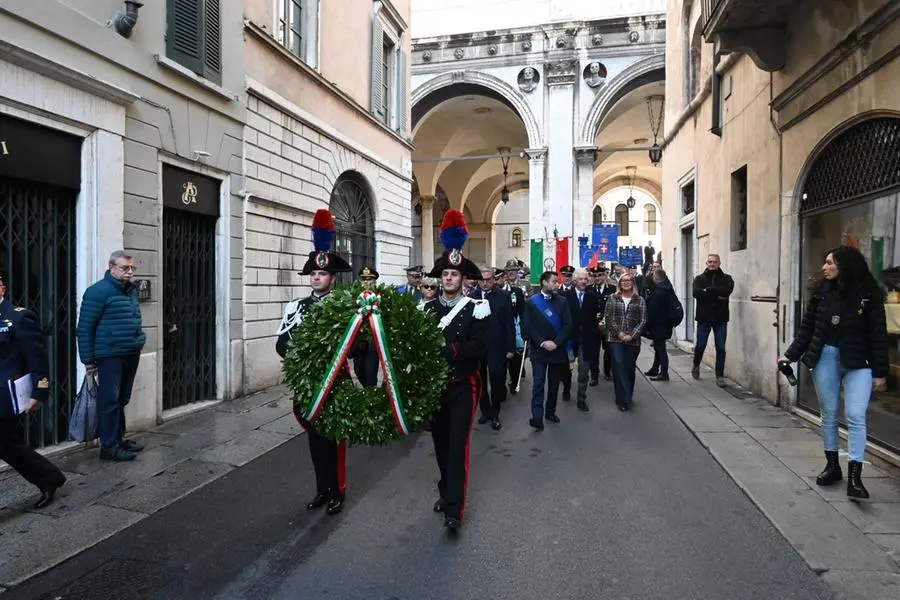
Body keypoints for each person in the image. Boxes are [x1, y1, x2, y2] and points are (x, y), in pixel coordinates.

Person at [780, 246, 888, 500]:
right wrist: (789, 355)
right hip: (825, 356)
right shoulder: (821, 293)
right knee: (828, 414)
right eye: (825, 262)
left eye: (829, 263)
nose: (824, 267)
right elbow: (807, 329)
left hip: (858, 361)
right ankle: (832, 466)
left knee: (855, 415)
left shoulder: (869, 295)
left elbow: (878, 334)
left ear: (844, 265)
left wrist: (881, 371)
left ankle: (855, 478)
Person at [276, 209, 354, 516]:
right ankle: (322, 490)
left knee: (332, 439)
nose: (317, 277)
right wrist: (303, 355)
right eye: (313, 274)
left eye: (322, 274)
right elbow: (282, 343)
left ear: (332, 278)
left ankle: (337, 490)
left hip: (335, 383)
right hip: (308, 383)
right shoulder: (297, 307)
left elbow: (358, 347)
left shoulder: (345, 306)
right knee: (314, 439)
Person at [423, 209, 489, 533]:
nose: (448, 278)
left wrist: (452, 350)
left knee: (457, 444)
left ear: (463, 279)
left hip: (464, 385)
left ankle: (454, 509)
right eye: (445, 274)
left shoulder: (477, 308)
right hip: (436, 388)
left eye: (454, 274)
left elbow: (481, 347)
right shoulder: (428, 309)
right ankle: (445, 491)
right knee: (440, 444)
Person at [0, 273, 67, 509]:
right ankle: (49, 477)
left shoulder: (18, 318)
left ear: (3, 289)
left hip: (6, 396)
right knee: (8, 445)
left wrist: (39, 392)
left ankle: (49, 477)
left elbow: (37, 358)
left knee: (7, 444)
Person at [76, 251, 147, 462]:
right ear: (111, 267)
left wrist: (139, 340)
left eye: (132, 268)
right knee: (109, 401)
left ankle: (118, 438)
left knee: (122, 398)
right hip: (110, 355)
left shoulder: (130, 291)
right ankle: (108, 446)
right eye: (125, 268)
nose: (130, 272)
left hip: (130, 352)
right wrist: (88, 359)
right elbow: (85, 328)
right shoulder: (97, 292)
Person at [523, 271, 572, 430]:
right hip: (540, 350)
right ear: (544, 282)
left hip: (557, 350)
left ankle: (550, 412)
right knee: (538, 383)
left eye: (556, 281)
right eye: (553, 281)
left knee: (553, 384)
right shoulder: (532, 302)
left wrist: (556, 343)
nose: (556, 284)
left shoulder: (563, 301)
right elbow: (528, 326)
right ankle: (537, 416)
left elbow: (567, 325)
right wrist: (543, 342)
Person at [469, 267, 514, 431]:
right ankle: (485, 411)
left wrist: (510, 347)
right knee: (480, 380)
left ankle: (495, 413)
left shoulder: (503, 297)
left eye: (488, 279)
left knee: (496, 381)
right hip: (478, 347)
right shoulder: (471, 297)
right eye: (482, 280)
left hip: (497, 346)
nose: (485, 283)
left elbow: (509, 323)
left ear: (494, 279)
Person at [603, 272, 647, 411]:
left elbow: (643, 320)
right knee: (619, 365)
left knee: (629, 368)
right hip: (615, 339)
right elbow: (609, 318)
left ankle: (628, 395)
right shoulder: (612, 298)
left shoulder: (639, 300)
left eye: (629, 280)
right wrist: (620, 334)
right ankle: (623, 399)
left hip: (633, 341)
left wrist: (632, 335)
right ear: (619, 284)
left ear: (633, 283)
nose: (626, 283)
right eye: (623, 281)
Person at [691, 254, 735, 386]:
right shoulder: (699, 279)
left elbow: (727, 291)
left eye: (715, 262)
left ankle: (719, 376)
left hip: (720, 318)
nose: (712, 264)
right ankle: (696, 364)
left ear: (719, 263)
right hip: (704, 318)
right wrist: (717, 296)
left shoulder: (727, 279)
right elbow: (696, 294)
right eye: (710, 262)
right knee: (701, 345)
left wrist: (709, 290)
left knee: (721, 347)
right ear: (706, 263)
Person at [564, 269, 599, 412]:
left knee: (584, 371)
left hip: (586, 340)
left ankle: (581, 398)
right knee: (567, 368)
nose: (584, 282)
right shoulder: (565, 296)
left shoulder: (592, 297)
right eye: (581, 279)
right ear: (574, 280)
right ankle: (566, 388)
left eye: (586, 279)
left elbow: (595, 318)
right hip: (569, 341)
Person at [644, 269, 676, 381]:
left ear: (656, 278)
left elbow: (652, 311)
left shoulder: (659, 292)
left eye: (653, 277)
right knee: (659, 348)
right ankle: (655, 368)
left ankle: (664, 373)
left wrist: (647, 325)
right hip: (665, 324)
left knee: (661, 349)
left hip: (659, 325)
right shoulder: (667, 288)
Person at [354, 266, 380, 387]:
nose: (366, 282)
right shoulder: (354, 297)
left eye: (369, 279)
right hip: (359, 343)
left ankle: (371, 395)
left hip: (373, 344)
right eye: (363, 279)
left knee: (370, 374)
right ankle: (367, 391)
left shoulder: (381, 297)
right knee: (358, 371)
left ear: (375, 281)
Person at [589, 267, 616, 382]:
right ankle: (594, 375)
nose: (597, 278)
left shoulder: (613, 289)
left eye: (599, 275)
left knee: (609, 349)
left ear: (605, 276)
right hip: (593, 325)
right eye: (594, 276)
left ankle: (607, 371)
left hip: (608, 325)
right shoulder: (589, 289)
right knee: (593, 351)